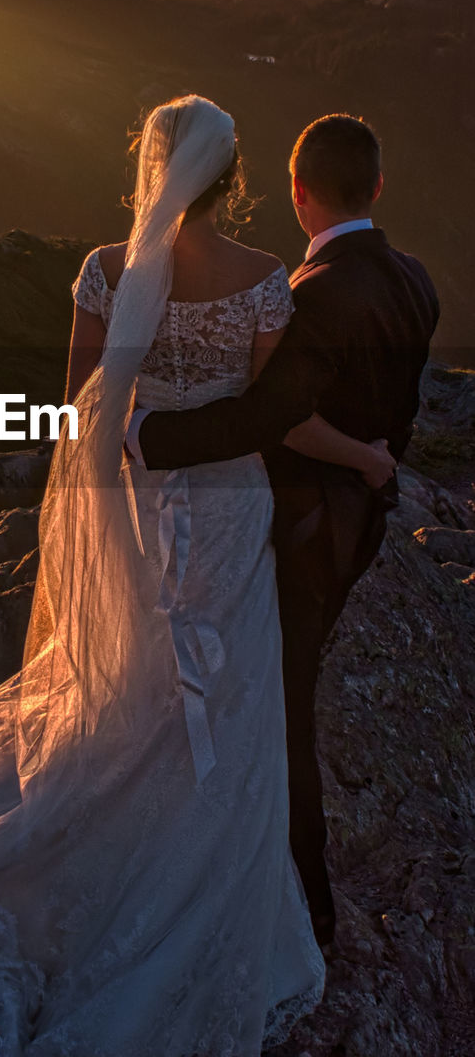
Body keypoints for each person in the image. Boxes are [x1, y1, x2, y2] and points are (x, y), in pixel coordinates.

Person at [0, 95, 383, 1056]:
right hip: (226, 519)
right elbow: (280, 421)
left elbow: (78, 414)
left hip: (137, 507)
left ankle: (85, 861)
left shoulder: (104, 274)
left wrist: (98, 533)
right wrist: (363, 457)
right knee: (227, 706)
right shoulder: (268, 282)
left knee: (128, 686)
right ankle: (200, 878)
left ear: (150, 168)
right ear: (231, 182)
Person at [128, 112, 440, 952]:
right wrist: (376, 466)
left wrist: (145, 436)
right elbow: (390, 409)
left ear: (298, 194)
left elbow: (272, 417)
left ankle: (305, 899)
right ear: (374, 186)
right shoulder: (414, 279)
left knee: (279, 707)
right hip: (358, 525)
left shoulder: (315, 294)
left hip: (302, 532)